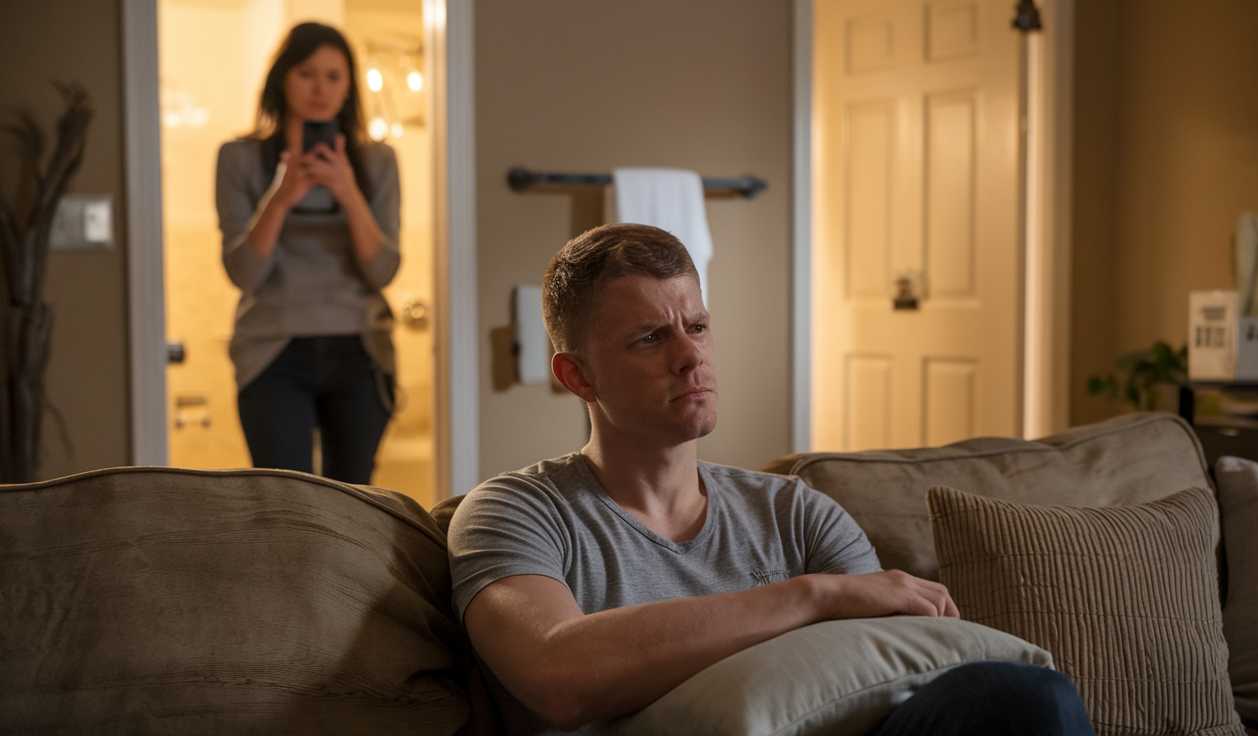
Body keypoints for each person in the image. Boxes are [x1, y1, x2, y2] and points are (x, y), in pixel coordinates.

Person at [447, 223, 1095, 734]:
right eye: (649, 338)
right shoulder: (516, 511)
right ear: (577, 376)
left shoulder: (795, 512)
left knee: (1026, 696)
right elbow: (558, 674)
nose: (690, 356)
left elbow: (890, 677)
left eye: (697, 327)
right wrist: (812, 597)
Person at [215, 21, 400, 485]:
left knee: (353, 499)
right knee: (285, 497)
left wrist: (348, 193)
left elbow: (382, 270)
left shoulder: (377, 161)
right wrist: (280, 198)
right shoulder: (239, 158)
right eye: (306, 74)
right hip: (271, 350)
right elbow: (244, 274)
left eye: (333, 76)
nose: (320, 89)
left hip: (360, 348)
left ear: (348, 87)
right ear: (282, 78)